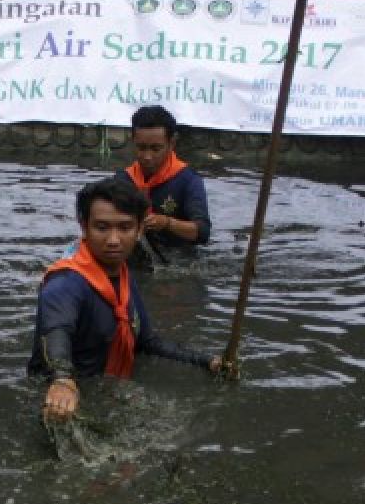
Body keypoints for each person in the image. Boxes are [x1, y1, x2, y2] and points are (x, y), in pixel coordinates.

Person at [28, 178, 222, 423]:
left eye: (125, 227)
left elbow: (148, 342)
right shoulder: (65, 282)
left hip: (107, 393)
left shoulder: (122, 276)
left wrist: (208, 361)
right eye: (102, 227)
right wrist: (62, 379)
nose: (113, 240)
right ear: (84, 227)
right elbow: (57, 330)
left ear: (140, 229)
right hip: (60, 404)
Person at [115, 105, 211, 258]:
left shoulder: (188, 180)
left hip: (178, 257)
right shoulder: (123, 180)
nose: (147, 156)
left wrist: (167, 223)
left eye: (156, 149)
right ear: (133, 140)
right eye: (141, 147)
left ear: (172, 143)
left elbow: (203, 232)